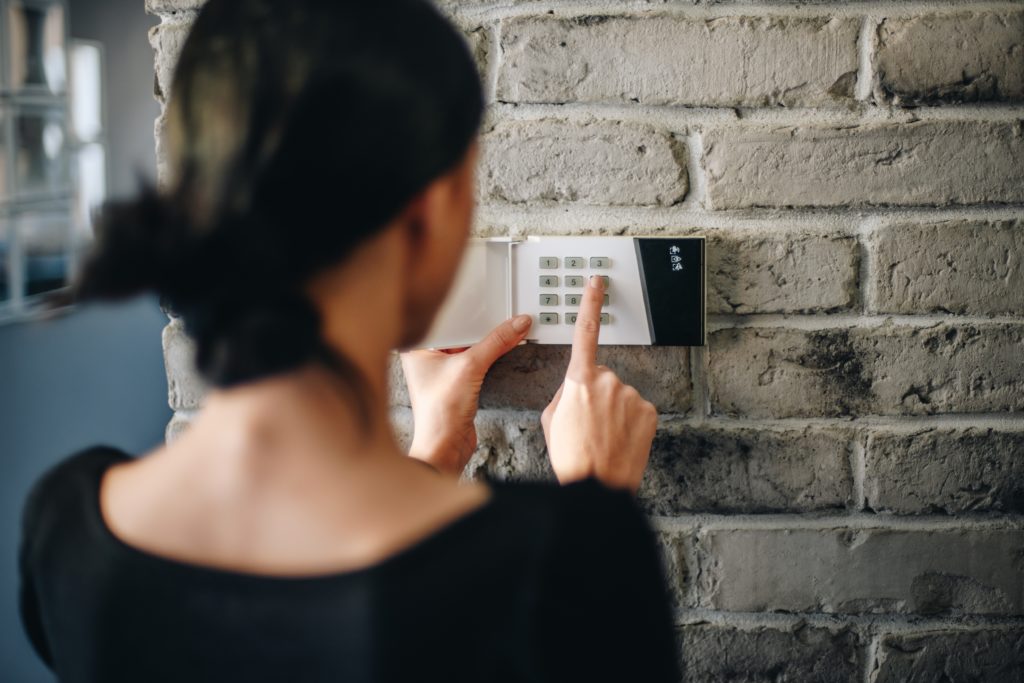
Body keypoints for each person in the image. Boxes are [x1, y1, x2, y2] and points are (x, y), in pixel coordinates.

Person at [18, 1, 679, 681]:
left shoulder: (66, 528)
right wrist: (596, 508)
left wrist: (434, 453)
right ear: (430, 214)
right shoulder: (563, 561)